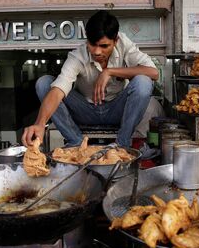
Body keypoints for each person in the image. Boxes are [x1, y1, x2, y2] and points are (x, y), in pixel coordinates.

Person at [22, 10, 159, 147]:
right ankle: (76, 142)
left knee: (143, 81)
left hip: (116, 111)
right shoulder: (78, 56)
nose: (97, 52)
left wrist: (109, 72)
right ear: (87, 39)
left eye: (104, 46)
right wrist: (40, 123)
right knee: (44, 83)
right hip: (85, 111)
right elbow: (58, 90)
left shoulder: (124, 44)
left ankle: (122, 144)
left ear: (115, 40)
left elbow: (153, 73)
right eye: (92, 44)